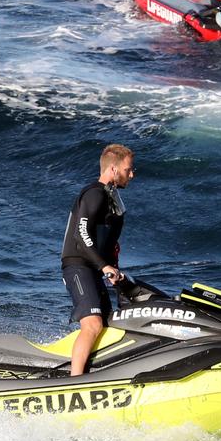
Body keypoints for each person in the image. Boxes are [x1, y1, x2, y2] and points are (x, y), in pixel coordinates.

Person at [60, 143, 135, 376]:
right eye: (127, 169)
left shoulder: (111, 197)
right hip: (78, 266)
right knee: (92, 324)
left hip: (93, 268)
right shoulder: (95, 193)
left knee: (107, 325)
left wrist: (113, 270)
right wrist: (104, 266)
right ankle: (75, 381)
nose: (131, 174)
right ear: (113, 170)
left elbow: (107, 242)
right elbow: (81, 234)